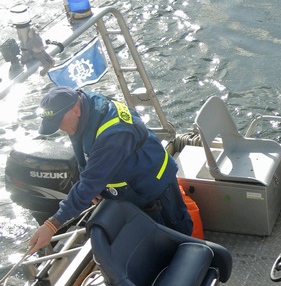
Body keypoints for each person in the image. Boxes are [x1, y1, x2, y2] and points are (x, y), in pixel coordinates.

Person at [27, 86, 192, 254]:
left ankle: (191, 257)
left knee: (174, 234)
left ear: (76, 110)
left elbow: (90, 182)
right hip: (131, 185)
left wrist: (52, 224)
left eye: (59, 123)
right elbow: (82, 149)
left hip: (154, 186)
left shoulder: (112, 135)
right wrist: (93, 184)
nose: (60, 129)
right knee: (151, 237)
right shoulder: (85, 104)